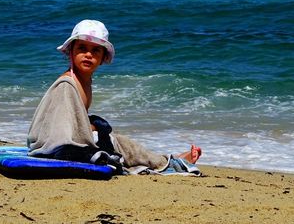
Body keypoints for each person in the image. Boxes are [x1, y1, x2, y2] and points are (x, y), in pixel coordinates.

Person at [27, 19, 201, 175]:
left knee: (121, 142)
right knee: (117, 144)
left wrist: (92, 126)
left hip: (73, 138)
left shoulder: (84, 81)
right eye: (82, 48)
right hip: (57, 145)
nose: (89, 54)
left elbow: (75, 119)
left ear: (103, 57)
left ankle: (165, 160)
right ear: (71, 52)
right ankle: (167, 162)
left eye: (95, 50)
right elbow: (60, 127)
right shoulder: (67, 84)